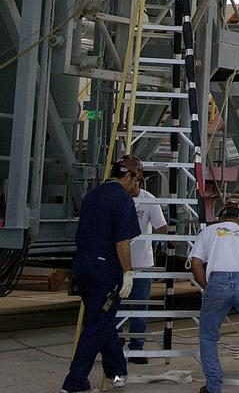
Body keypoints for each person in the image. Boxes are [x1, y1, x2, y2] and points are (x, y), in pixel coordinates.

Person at [60, 160, 143, 393]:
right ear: (128, 177)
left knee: (103, 318)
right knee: (97, 323)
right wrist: (128, 271)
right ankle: (75, 382)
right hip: (104, 269)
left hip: (83, 265)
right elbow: (122, 240)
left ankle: (117, 373)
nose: (135, 186)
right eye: (136, 181)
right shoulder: (122, 200)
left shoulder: (91, 195)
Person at [190, 203, 239, 393]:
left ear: (220, 217)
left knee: (208, 335)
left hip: (217, 281)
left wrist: (207, 287)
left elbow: (195, 264)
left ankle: (213, 386)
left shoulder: (208, 232)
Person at [116, 155, 168, 363]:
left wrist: (161, 241)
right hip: (119, 261)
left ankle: (137, 346)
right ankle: (115, 344)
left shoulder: (148, 199)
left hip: (142, 263)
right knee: (117, 305)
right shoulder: (117, 198)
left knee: (139, 307)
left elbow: (161, 227)